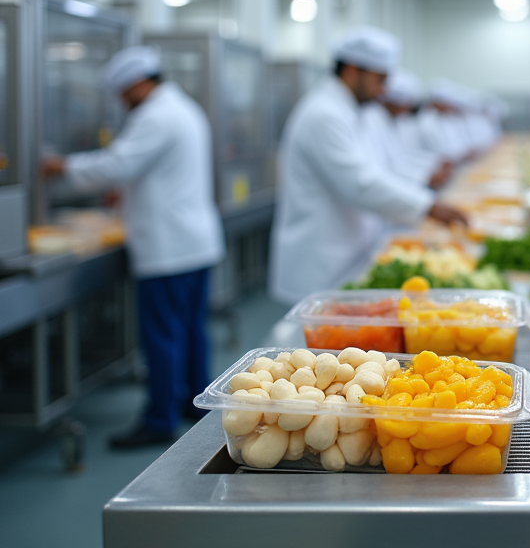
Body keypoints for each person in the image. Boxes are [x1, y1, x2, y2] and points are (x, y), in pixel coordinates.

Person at [40, 46, 224, 448]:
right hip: (194, 241)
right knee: (191, 329)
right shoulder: (183, 108)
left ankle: (159, 420)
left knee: (161, 335)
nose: (123, 103)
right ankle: (194, 403)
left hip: (169, 247)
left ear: (139, 84)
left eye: (124, 94)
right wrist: (126, 192)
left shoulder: (155, 115)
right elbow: (155, 170)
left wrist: (61, 167)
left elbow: (119, 164)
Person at [269, 27, 467, 305]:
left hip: (347, 252)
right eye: (379, 79)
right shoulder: (324, 115)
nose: (384, 90)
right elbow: (359, 183)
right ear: (352, 71)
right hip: (320, 263)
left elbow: (380, 169)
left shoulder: (352, 112)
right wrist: (428, 206)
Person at [364, 68, 452, 191]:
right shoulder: (373, 121)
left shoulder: (397, 121)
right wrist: (425, 177)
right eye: (404, 104)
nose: (406, 109)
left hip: (404, 187)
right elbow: (386, 168)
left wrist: (435, 164)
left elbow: (404, 156)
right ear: (391, 101)